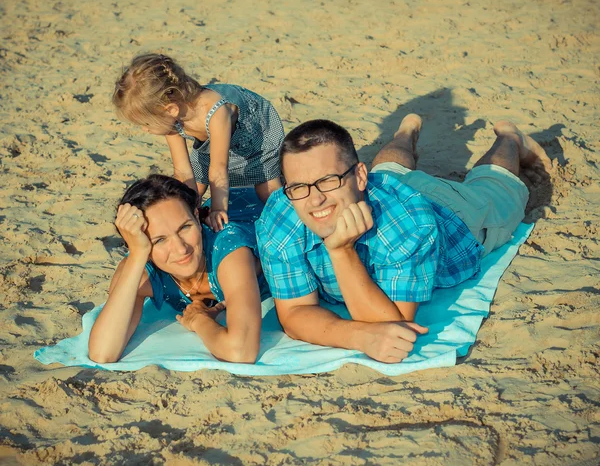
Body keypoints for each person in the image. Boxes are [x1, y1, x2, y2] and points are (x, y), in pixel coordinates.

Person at [256, 114, 551, 363]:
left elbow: (391, 323)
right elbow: (295, 313)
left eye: (327, 181)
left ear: (359, 177)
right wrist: (358, 337)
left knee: (496, 187)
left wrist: (341, 251)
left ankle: (510, 139)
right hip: (386, 187)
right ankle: (406, 133)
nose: (315, 199)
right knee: (389, 171)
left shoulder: (410, 226)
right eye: (299, 186)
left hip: (455, 216)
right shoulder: (283, 213)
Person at [88, 174, 269, 364]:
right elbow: (102, 352)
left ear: (197, 218)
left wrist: (199, 320)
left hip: (253, 207)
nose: (181, 249)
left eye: (185, 227)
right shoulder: (140, 267)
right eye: (159, 240)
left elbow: (241, 352)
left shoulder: (228, 250)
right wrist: (137, 255)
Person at [112, 53, 284, 232]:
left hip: (255, 135)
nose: (144, 130)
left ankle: (291, 221)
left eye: (146, 124)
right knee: (193, 190)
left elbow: (218, 168)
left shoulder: (215, 111)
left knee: (267, 190)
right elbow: (183, 171)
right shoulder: (170, 119)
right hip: (208, 140)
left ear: (170, 109)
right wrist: (191, 206)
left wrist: (218, 210)